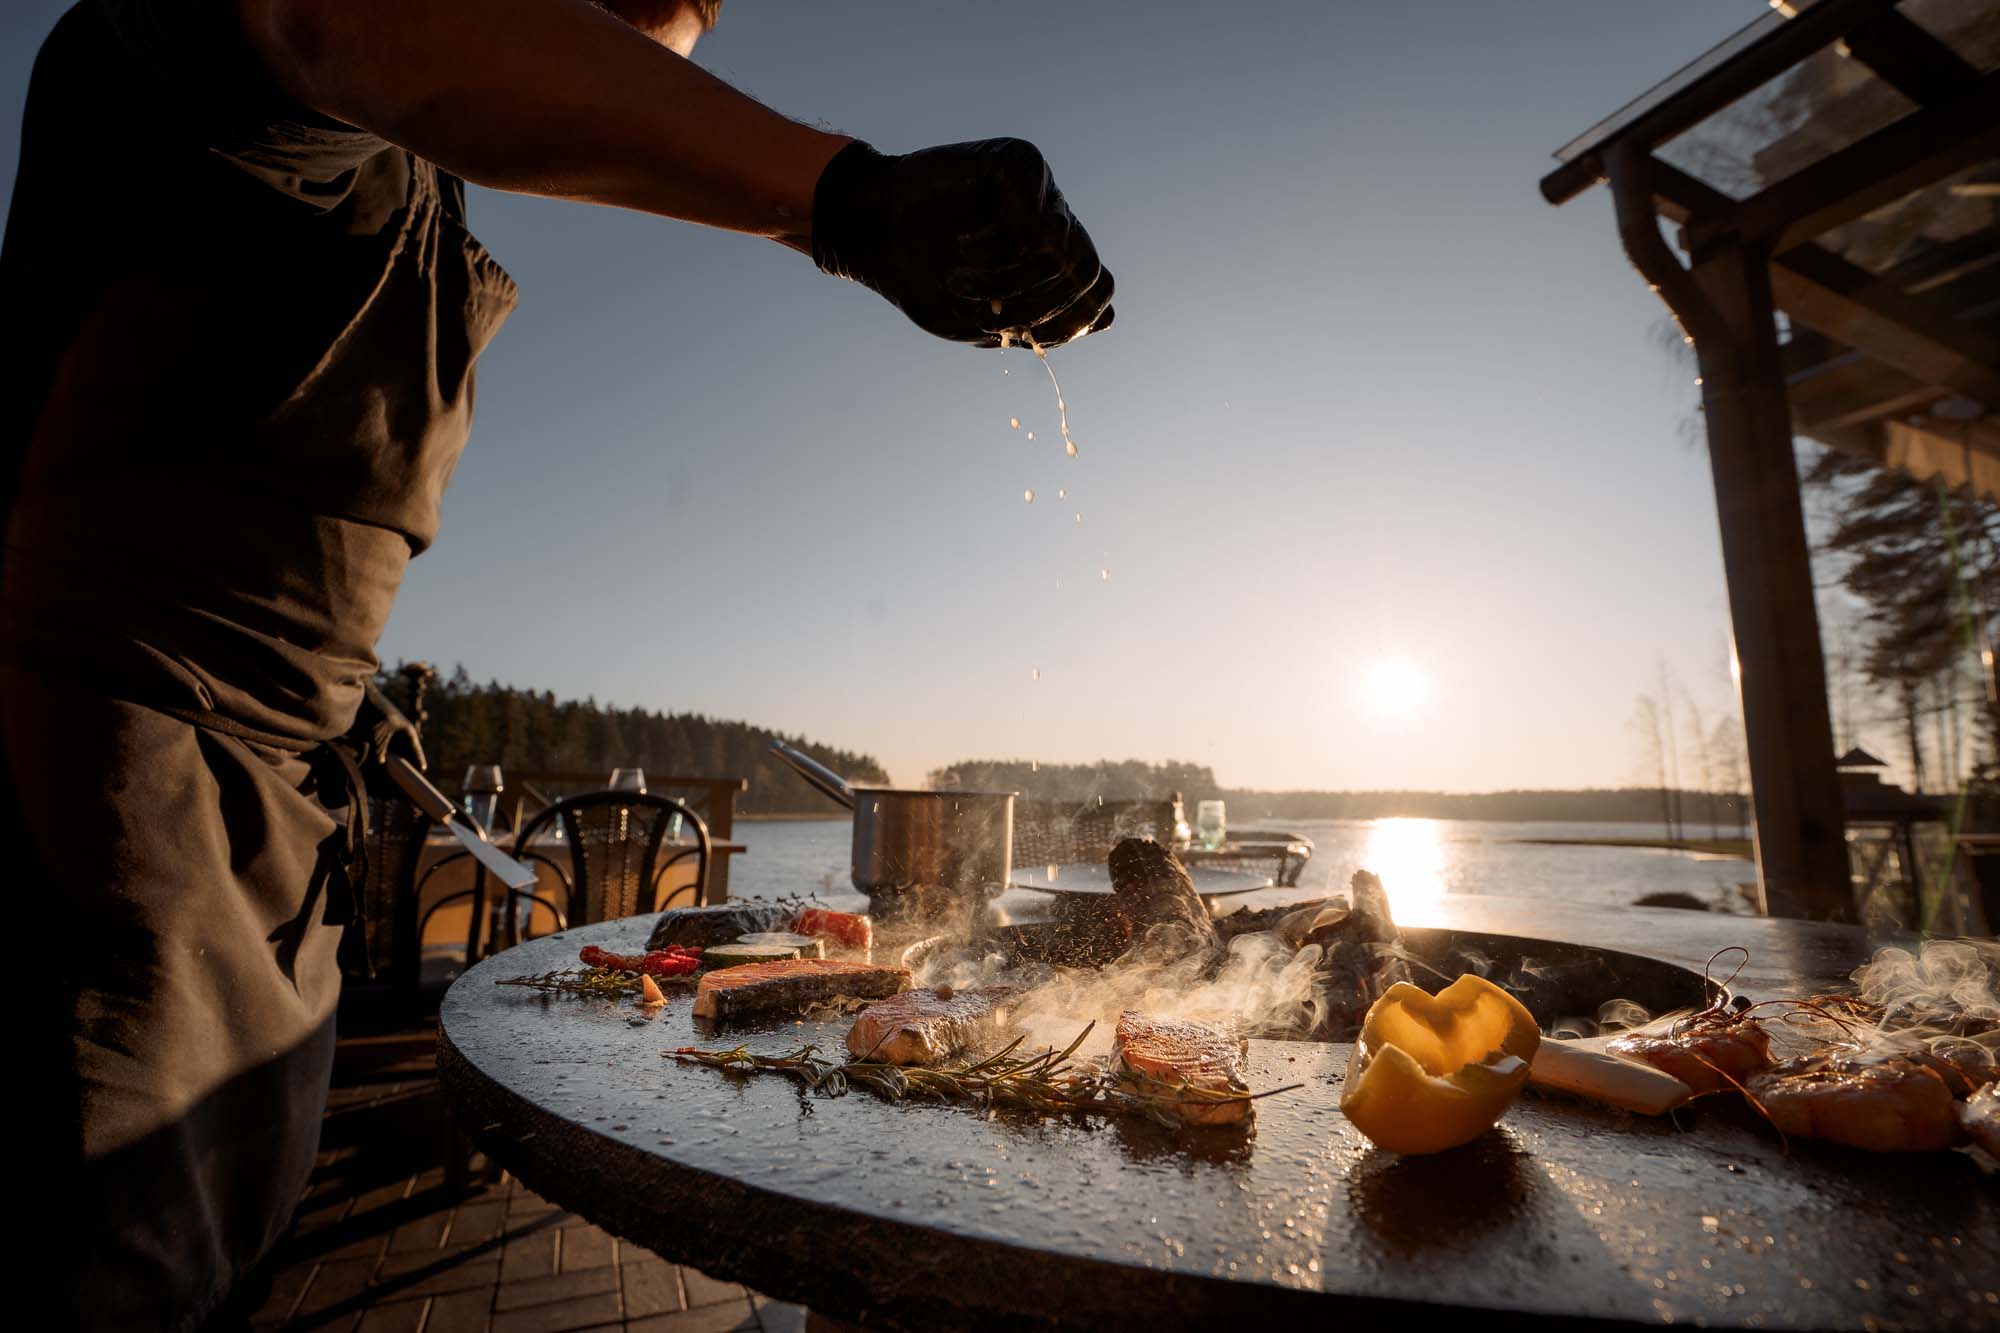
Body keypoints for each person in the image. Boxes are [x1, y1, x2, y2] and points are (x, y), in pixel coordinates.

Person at [0, 1, 1114, 1328]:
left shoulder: (413, 169)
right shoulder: (208, 43)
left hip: (285, 796)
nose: (645, 63)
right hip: (100, 778)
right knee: (101, 1258)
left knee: (219, 1252)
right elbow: (338, 21)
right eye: (631, 21)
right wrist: (849, 199)